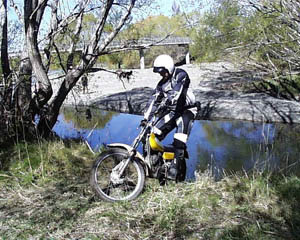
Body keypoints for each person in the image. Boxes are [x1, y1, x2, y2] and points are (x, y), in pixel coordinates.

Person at [141, 54, 197, 182]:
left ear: (169, 68)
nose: (161, 75)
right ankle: (154, 165)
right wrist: (146, 118)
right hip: (172, 112)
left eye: (163, 72)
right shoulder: (161, 84)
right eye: (159, 72)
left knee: (179, 140)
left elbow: (176, 92)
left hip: (187, 111)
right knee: (151, 135)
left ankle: (175, 170)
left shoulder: (181, 74)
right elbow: (153, 100)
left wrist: (167, 100)